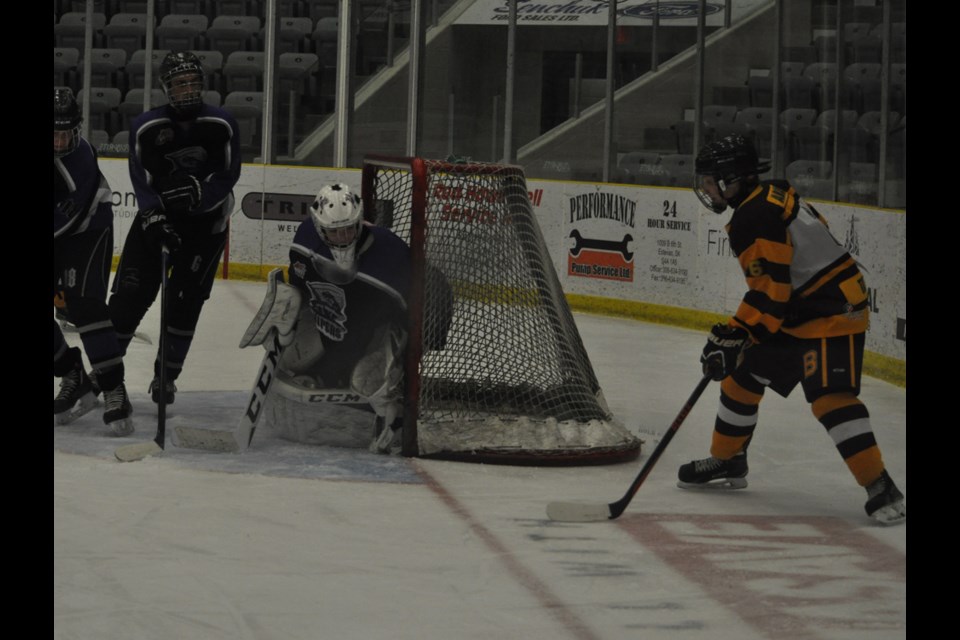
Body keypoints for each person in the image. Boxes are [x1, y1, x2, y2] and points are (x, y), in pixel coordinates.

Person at [677, 134, 905, 526]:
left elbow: (770, 293)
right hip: (801, 309)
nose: (706, 188)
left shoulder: (753, 217)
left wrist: (735, 333)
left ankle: (880, 485)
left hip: (834, 310)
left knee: (831, 398)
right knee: (741, 378)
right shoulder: (765, 196)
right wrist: (739, 337)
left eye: (711, 180)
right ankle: (729, 460)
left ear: (733, 179)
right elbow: (778, 292)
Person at [109, 51, 241, 405]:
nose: (188, 89)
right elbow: (143, 180)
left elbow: (228, 175)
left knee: (185, 304)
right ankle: (107, 376)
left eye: (194, 82)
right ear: (167, 88)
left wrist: (200, 195)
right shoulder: (147, 127)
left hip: (205, 226)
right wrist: (154, 216)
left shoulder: (222, 124)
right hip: (158, 221)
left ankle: (165, 377)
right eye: (180, 83)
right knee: (128, 300)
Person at [241, 183, 413, 453]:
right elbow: (299, 285)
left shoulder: (391, 254)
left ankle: (393, 415)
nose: (342, 238)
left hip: (381, 329)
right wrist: (287, 311)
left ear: (360, 223)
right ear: (319, 227)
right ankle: (329, 371)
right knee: (289, 355)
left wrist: (402, 358)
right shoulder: (305, 238)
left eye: (348, 229)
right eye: (333, 232)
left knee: (367, 381)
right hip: (336, 323)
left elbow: (416, 313)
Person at [53, 87, 133, 436]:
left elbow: (64, 220)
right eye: (53, 133)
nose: (60, 141)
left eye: (66, 133)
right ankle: (72, 374)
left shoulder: (81, 157)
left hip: (88, 230)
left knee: (85, 306)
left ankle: (114, 388)